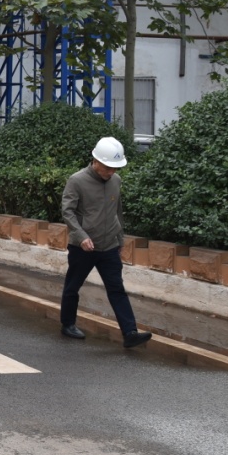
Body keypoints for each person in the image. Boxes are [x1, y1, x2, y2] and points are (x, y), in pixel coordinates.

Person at [59, 137, 152, 349]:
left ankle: (130, 333)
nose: (111, 172)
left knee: (116, 288)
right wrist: (81, 236)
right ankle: (68, 324)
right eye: (108, 168)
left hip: (109, 245)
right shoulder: (77, 181)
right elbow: (68, 212)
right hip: (83, 247)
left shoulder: (115, 181)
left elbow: (117, 211)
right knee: (73, 286)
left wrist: (120, 239)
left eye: (115, 168)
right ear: (96, 161)